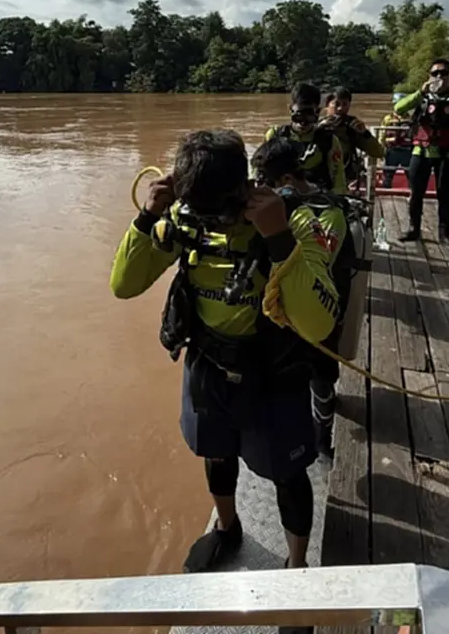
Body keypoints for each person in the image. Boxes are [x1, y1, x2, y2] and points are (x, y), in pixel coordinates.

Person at [109, 130, 343, 588]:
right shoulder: (186, 217)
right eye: (200, 210)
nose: (213, 221)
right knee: (215, 452)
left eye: (220, 209)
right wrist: (147, 217)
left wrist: (276, 239)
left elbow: (318, 325)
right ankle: (226, 526)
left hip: (274, 370)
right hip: (210, 363)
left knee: (289, 472)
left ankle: (296, 566)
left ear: (245, 187)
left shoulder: (297, 220)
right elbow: (124, 285)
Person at [251, 137, 353, 459]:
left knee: (322, 376)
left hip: (322, 305)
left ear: (284, 181)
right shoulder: (279, 208)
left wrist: (283, 229)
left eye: (264, 182)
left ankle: (322, 438)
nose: (260, 188)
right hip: (283, 310)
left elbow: (318, 262)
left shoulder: (328, 213)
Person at [393, 59, 449, 250]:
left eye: (443, 73)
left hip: (447, 154)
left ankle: (444, 236)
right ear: (429, 76)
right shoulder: (421, 97)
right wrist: (420, 92)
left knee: (445, 195)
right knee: (415, 193)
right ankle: (414, 229)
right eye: (435, 73)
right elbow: (398, 108)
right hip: (420, 151)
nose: (439, 77)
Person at [265, 82, 348, 194]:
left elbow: (339, 183)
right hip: (280, 199)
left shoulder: (329, 141)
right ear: (290, 110)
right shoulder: (275, 135)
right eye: (299, 115)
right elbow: (259, 175)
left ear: (318, 112)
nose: (303, 122)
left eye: (309, 115)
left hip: (318, 201)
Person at [320, 87, 386, 187]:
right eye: (336, 104)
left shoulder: (352, 127)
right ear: (327, 106)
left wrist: (365, 133)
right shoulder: (315, 126)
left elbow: (378, 152)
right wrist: (320, 129)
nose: (340, 108)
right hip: (321, 179)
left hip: (346, 180)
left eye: (345, 104)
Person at [380, 94, 414, 188]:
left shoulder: (411, 119)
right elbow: (382, 135)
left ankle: (411, 194)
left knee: (411, 175)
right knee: (388, 175)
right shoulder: (388, 118)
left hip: (407, 151)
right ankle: (386, 192)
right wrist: (381, 149)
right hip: (392, 150)